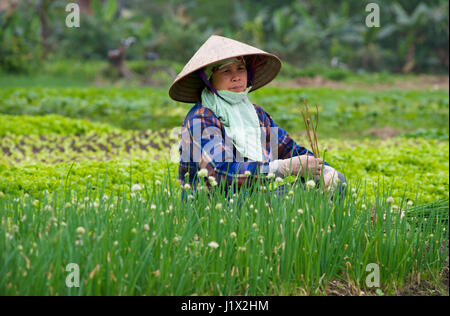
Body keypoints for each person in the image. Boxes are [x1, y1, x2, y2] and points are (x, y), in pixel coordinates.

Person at [168, 35, 346, 200]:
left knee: (336, 180)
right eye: (226, 71)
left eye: (240, 68)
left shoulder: (255, 114)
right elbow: (218, 172)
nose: (236, 77)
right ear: (208, 79)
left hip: (254, 199)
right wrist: (281, 168)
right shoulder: (201, 118)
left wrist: (321, 168)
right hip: (215, 205)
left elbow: (288, 148)